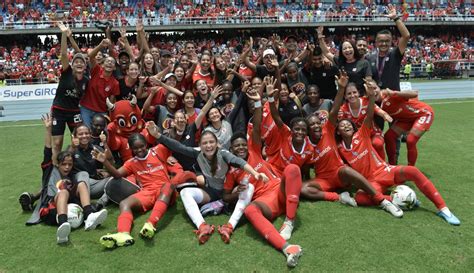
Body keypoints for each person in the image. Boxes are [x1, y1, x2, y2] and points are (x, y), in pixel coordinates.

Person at [335, 81, 460, 226]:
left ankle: (443, 209)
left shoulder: (362, 134)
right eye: (342, 125)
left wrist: (370, 98)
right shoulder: (339, 147)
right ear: (338, 131)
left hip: (384, 171)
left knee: (412, 171)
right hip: (371, 182)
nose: (346, 125)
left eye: (349, 124)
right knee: (361, 198)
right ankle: (398, 199)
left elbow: (369, 116)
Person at [146, 125, 269, 244]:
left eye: (211, 142)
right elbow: (178, 147)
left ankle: (229, 226)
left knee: (249, 187)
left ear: (217, 144)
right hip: (211, 192)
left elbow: (239, 161)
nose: (208, 146)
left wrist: (255, 173)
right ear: (200, 145)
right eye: (205, 143)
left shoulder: (223, 153)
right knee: (184, 192)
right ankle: (203, 226)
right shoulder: (197, 153)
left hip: (229, 192)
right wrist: (157, 135)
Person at [301, 73, 402, 217]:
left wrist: (341, 88)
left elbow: (335, 109)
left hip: (340, 174)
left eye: (318, 123)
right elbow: (305, 167)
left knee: (347, 170)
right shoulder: (306, 146)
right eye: (312, 125)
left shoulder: (327, 131)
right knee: (303, 189)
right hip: (324, 180)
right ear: (307, 129)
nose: (316, 126)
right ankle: (340, 197)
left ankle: (382, 201)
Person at [241, 82, 304, 268]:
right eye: (234, 146)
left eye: (240, 144)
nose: (239, 147)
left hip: (280, 190)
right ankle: (287, 248)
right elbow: (227, 194)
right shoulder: (231, 168)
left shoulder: (254, 150)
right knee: (250, 210)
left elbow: (258, 126)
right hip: (266, 200)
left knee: (292, 169)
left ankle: (289, 221)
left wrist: (259, 103)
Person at [25, 114, 108, 244]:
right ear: (57, 164)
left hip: (69, 208)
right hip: (51, 211)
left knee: (80, 185)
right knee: (63, 191)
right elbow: (48, 150)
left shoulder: (71, 176)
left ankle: (89, 215)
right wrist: (48, 130)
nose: (67, 167)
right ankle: (63, 228)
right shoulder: (50, 170)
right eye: (64, 164)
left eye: (70, 164)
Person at [92, 133, 178, 249]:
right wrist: (105, 162)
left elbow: (176, 146)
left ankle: (151, 224)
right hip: (147, 193)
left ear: (146, 144)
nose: (139, 150)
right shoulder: (131, 163)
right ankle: (123, 234)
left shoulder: (159, 150)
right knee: (124, 203)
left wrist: (172, 156)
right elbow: (117, 175)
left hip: (165, 191)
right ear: (131, 149)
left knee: (168, 185)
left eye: (141, 146)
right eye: (135, 148)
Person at [51, 22, 89, 165]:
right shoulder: (67, 72)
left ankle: (77, 164)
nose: (79, 63)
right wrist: (64, 33)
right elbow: (64, 54)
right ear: (72, 64)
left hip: (74, 112)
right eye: (76, 61)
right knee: (57, 143)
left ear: (85, 66)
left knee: (79, 140)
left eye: (82, 62)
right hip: (59, 110)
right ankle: (54, 170)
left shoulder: (86, 80)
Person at [376, 88, 433, 166]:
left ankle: (410, 169)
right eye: (370, 89)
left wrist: (395, 92)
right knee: (389, 136)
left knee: (410, 140)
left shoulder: (389, 96)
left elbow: (415, 93)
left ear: (379, 88)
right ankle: (392, 166)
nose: (373, 91)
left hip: (423, 113)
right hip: (406, 119)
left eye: (374, 88)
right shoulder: (370, 103)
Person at [338, 82, 392, 160]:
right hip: (358, 138)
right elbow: (341, 126)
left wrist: (385, 115)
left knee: (377, 144)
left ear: (358, 93)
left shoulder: (366, 101)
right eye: (349, 94)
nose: (352, 95)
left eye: (354, 92)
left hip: (373, 133)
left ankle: (383, 165)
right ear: (345, 96)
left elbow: (379, 111)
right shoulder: (343, 109)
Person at [318, 26, 372, 95]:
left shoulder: (364, 63)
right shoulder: (340, 61)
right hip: (345, 97)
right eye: (344, 48)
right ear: (342, 52)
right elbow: (327, 52)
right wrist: (320, 37)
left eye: (350, 47)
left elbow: (368, 82)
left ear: (354, 49)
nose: (347, 50)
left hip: (360, 97)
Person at [79, 39, 120, 127]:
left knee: (101, 135)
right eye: (107, 61)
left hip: (101, 111)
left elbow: (111, 102)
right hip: (86, 108)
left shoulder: (115, 83)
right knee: (87, 132)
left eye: (112, 62)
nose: (109, 63)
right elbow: (90, 56)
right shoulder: (96, 70)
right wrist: (101, 45)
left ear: (114, 68)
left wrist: (109, 115)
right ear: (102, 64)